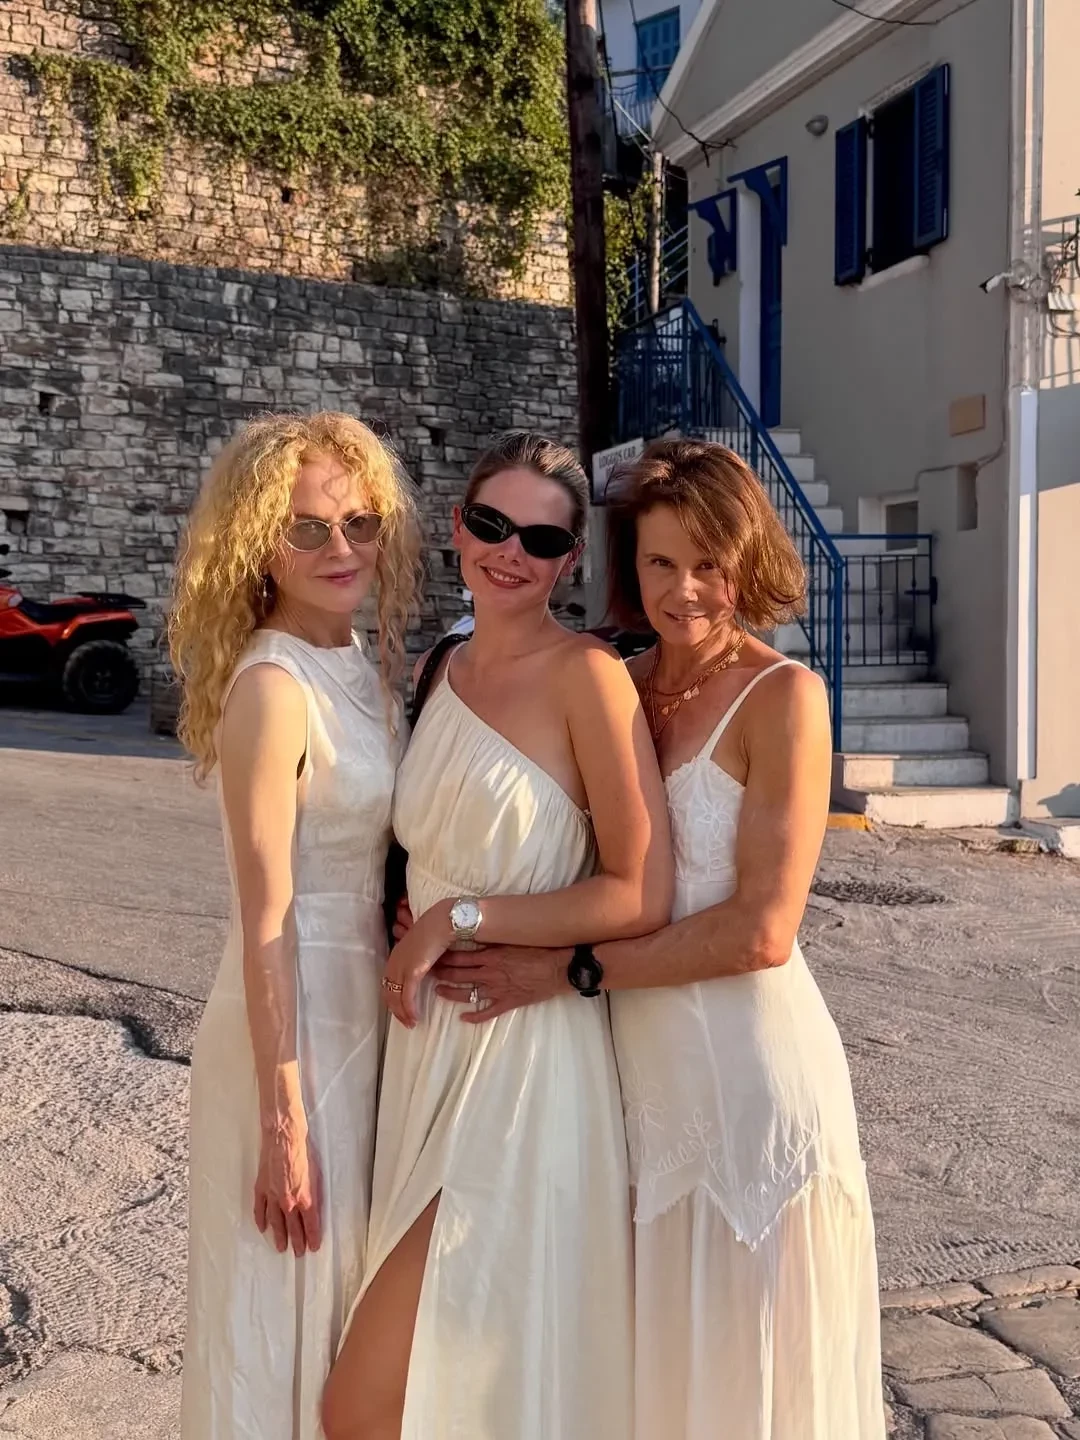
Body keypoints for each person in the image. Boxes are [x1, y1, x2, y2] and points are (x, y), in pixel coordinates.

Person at [436, 439, 886, 1440]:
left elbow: (762, 931)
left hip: (749, 1089)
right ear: (628, 565)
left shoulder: (786, 698)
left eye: (708, 563)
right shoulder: (615, 683)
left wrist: (566, 972)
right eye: (660, 562)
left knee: (747, 1392)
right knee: (647, 1388)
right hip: (633, 1089)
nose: (684, 590)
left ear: (748, 560)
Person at [321, 431, 673, 1440]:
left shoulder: (588, 678)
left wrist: (458, 918)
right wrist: (410, 905)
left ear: (570, 559)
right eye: (491, 524)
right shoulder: (440, 665)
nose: (510, 552)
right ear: (457, 527)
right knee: (448, 1399)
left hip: (523, 1059)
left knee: (369, 1403)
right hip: (423, 1052)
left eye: (541, 538)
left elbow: (640, 890)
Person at [169, 411, 421, 1439]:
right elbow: (264, 913)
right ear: (258, 546)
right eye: (307, 529)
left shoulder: (359, 665)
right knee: (280, 1302)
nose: (341, 548)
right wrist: (284, 1121)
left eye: (360, 524)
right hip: (291, 1025)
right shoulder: (273, 688)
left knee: (347, 1305)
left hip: (364, 1009)